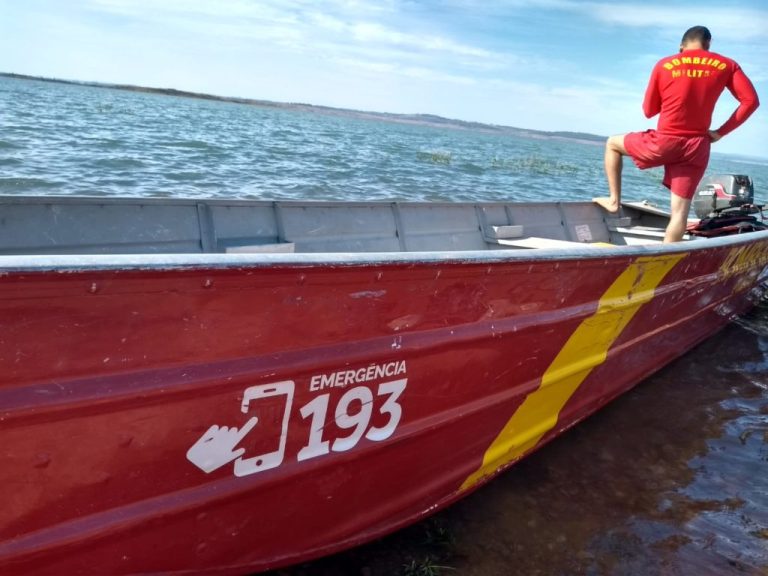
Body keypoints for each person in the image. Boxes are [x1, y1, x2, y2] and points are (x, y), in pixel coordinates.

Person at [593, 25, 759, 242]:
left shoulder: (665, 64)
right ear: (708, 44)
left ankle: (614, 200)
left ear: (681, 46)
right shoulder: (727, 64)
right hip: (697, 146)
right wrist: (720, 133)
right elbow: (751, 101)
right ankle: (664, 262)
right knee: (679, 213)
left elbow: (648, 111)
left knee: (612, 144)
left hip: (665, 140)